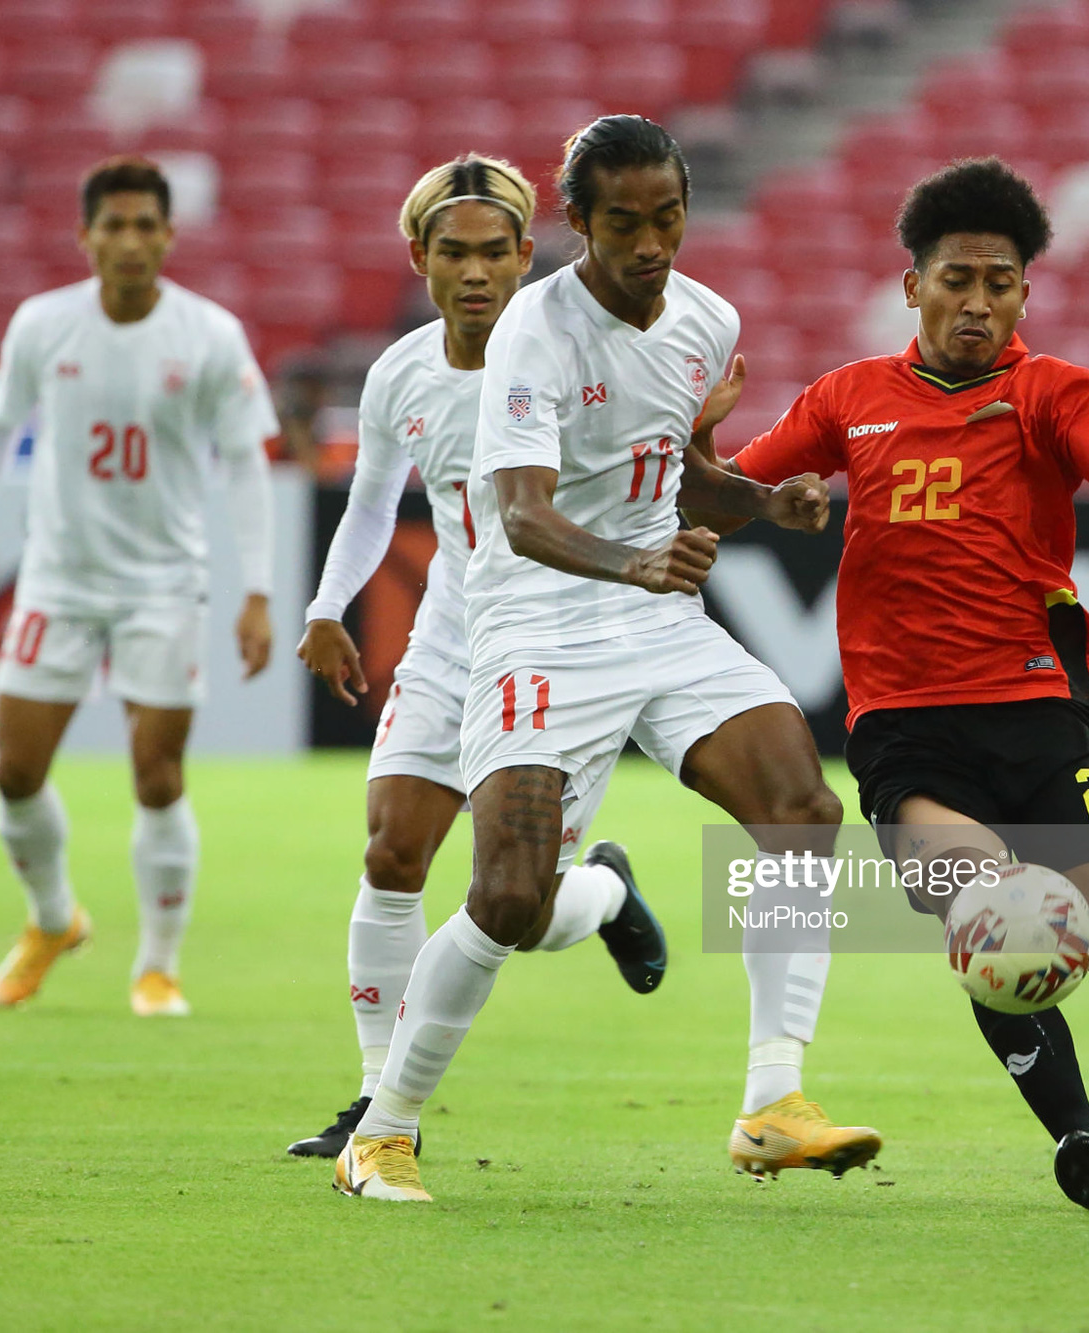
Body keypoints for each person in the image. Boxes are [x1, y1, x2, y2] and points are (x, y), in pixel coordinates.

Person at [722, 157, 1089, 1211]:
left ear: (1023, 291)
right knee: (993, 921)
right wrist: (715, 474)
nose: (976, 303)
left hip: (1042, 712)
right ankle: (1077, 1140)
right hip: (905, 727)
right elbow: (736, 488)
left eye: (998, 282)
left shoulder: (1053, 391)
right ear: (910, 283)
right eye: (955, 279)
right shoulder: (847, 400)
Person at [333, 117, 880, 1203]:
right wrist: (635, 562)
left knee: (801, 810)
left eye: (666, 217)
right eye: (621, 222)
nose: (648, 243)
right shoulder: (533, 333)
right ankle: (379, 1133)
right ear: (575, 222)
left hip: (654, 616)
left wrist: (765, 499)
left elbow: (677, 472)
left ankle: (772, 1100)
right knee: (505, 897)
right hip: (536, 620)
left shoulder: (704, 317)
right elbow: (522, 514)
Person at [287, 156, 671, 1159]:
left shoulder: (574, 356)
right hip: (454, 633)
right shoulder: (400, 374)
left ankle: (606, 894)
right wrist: (329, 606)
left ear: (523, 255)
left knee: (520, 904)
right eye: (451, 251)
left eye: (494, 251)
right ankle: (375, 1100)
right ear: (418, 258)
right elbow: (372, 501)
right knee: (389, 849)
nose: (473, 271)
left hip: (556, 647)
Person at [0, 157, 277, 1019]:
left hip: (165, 585)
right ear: (84, 236)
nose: (129, 241)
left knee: (157, 776)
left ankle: (157, 966)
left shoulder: (209, 335)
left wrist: (260, 589)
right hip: (59, 580)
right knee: (15, 770)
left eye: (144, 225)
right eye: (112, 225)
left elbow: (244, 464)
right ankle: (54, 919)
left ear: (168, 234)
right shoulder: (43, 325)